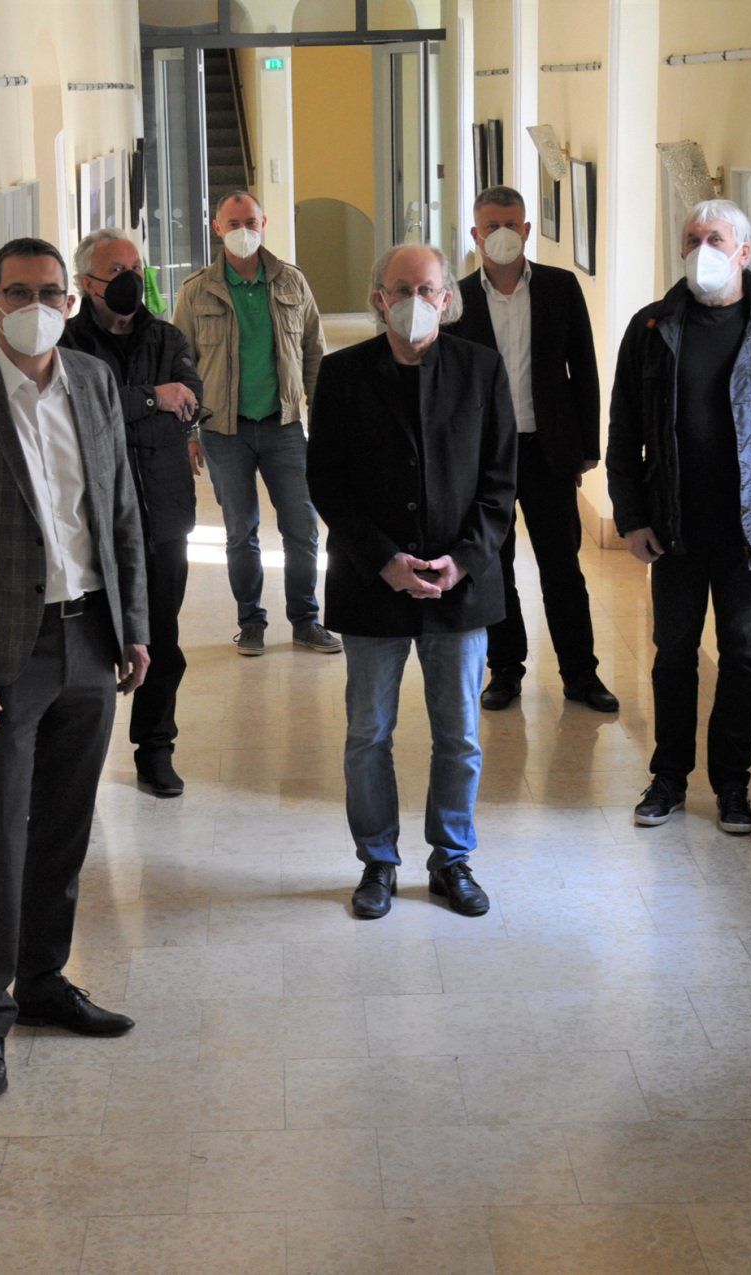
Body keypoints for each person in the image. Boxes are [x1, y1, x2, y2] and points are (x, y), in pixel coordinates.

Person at [0, 237, 151, 1105]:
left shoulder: (94, 382)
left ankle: (43, 980)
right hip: (4, 657)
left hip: (92, 638)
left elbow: (121, 511)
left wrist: (135, 627)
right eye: (19, 292)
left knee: (66, 829)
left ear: (71, 302)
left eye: (51, 293)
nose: (36, 306)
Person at [306, 245, 517, 921]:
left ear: (447, 299)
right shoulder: (342, 374)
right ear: (378, 299)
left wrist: (463, 560)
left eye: (428, 289)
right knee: (369, 733)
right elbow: (326, 481)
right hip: (372, 584)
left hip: (461, 585)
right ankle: (378, 860)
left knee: (460, 735)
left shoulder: (481, 368)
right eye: (401, 289)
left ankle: (451, 858)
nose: (415, 301)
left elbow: (500, 482)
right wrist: (384, 560)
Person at [606, 199, 751, 835]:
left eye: (716, 239)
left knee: (743, 655)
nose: (703, 248)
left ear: (744, 252)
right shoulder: (651, 327)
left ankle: (733, 785)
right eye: (692, 238)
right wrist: (631, 516)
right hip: (674, 525)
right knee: (672, 653)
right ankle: (669, 777)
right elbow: (624, 429)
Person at [450, 186, 615, 713]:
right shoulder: (457, 298)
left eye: (511, 224)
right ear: (476, 235)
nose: (502, 234)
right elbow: (450, 384)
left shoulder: (559, 288)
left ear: (525, 230)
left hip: (548, 451)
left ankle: (580, 675)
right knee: (493, 566)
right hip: (486, 456)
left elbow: (583, 369)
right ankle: (505, 671)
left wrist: (587, 447)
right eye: (491, 226)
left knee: (561, 567)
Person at [60, 228, 205, 798]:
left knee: (162, 640)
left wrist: (131, 405)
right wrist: (151, 397)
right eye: (115, 272)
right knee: (95, 642)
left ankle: (155, 748)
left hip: (164, 516)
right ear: (86, 283)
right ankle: (81, 758)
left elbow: (188, 399)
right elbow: (76, 414)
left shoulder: (167, 337)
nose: (130, 281)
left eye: (135, 269)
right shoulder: (66, 346)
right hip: (92, 522)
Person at [172, 189, 341, 657]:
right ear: (217, 228)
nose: (243, 231)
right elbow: (180, 367)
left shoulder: (292, 282)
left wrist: (323, 424)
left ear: (263, 224)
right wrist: (188, 432)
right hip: (223, 431)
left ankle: (306, 620)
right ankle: (251, 622)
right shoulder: (196, 291)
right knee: (240, 532)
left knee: (302, 529)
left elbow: (314, 354)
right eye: (234, 223)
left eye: (250, 222)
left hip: (284, 425)